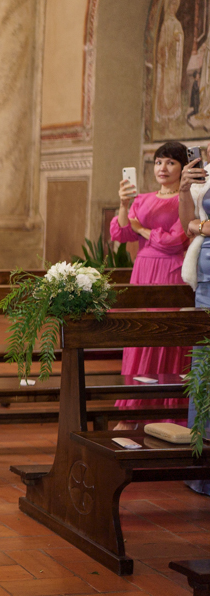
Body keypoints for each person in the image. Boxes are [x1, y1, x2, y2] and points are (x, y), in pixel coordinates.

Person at [111, 142, 191, 430]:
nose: (163, 168)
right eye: (158, 162)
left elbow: (175, 241)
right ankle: (131, 412)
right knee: (139, 337)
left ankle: (169, 414)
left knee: (165, 337)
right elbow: (120, 232)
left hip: (170, 271)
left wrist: (142, 228)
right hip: (143, 271)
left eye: (170, 162)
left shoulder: (186, 199)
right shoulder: (142, 199)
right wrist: (122, 204)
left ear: (183, 168)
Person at [179, 145, 210, 496]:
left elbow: (196, 225)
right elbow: (185, 225)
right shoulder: (206, 168)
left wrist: (200, 224)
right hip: (205, 282)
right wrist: (186, 190)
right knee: (203, 370)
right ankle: (200, 468)